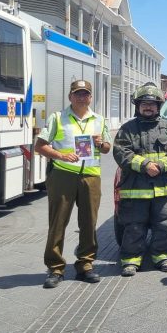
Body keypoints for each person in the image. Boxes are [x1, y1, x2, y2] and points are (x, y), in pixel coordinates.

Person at [35, 80, 111, 288]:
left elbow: (106, 148)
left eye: (85, 94)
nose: (81, 97)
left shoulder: (99, 120)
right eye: (77, 93)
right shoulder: (58, 118)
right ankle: (55, 267)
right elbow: (39, 146)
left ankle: (85, 264)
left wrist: (100, 143)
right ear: (70, 97)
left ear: (91, 97)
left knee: (89, 222)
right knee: (58, 222)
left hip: (90, 176)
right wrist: (60, 155)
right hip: (62, 175)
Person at [112, 83, 167, 276]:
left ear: (159, 106)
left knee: (164, 225)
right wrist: (145, 165)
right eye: (144, 103)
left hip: (162, 189)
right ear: (138, 105)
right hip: (135, 188)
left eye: (152, 103)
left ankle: (163, 258)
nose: (148, 107)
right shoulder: (127, 129)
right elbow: (120, 153)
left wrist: (158, 166)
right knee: (134, 226)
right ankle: (131, 261)